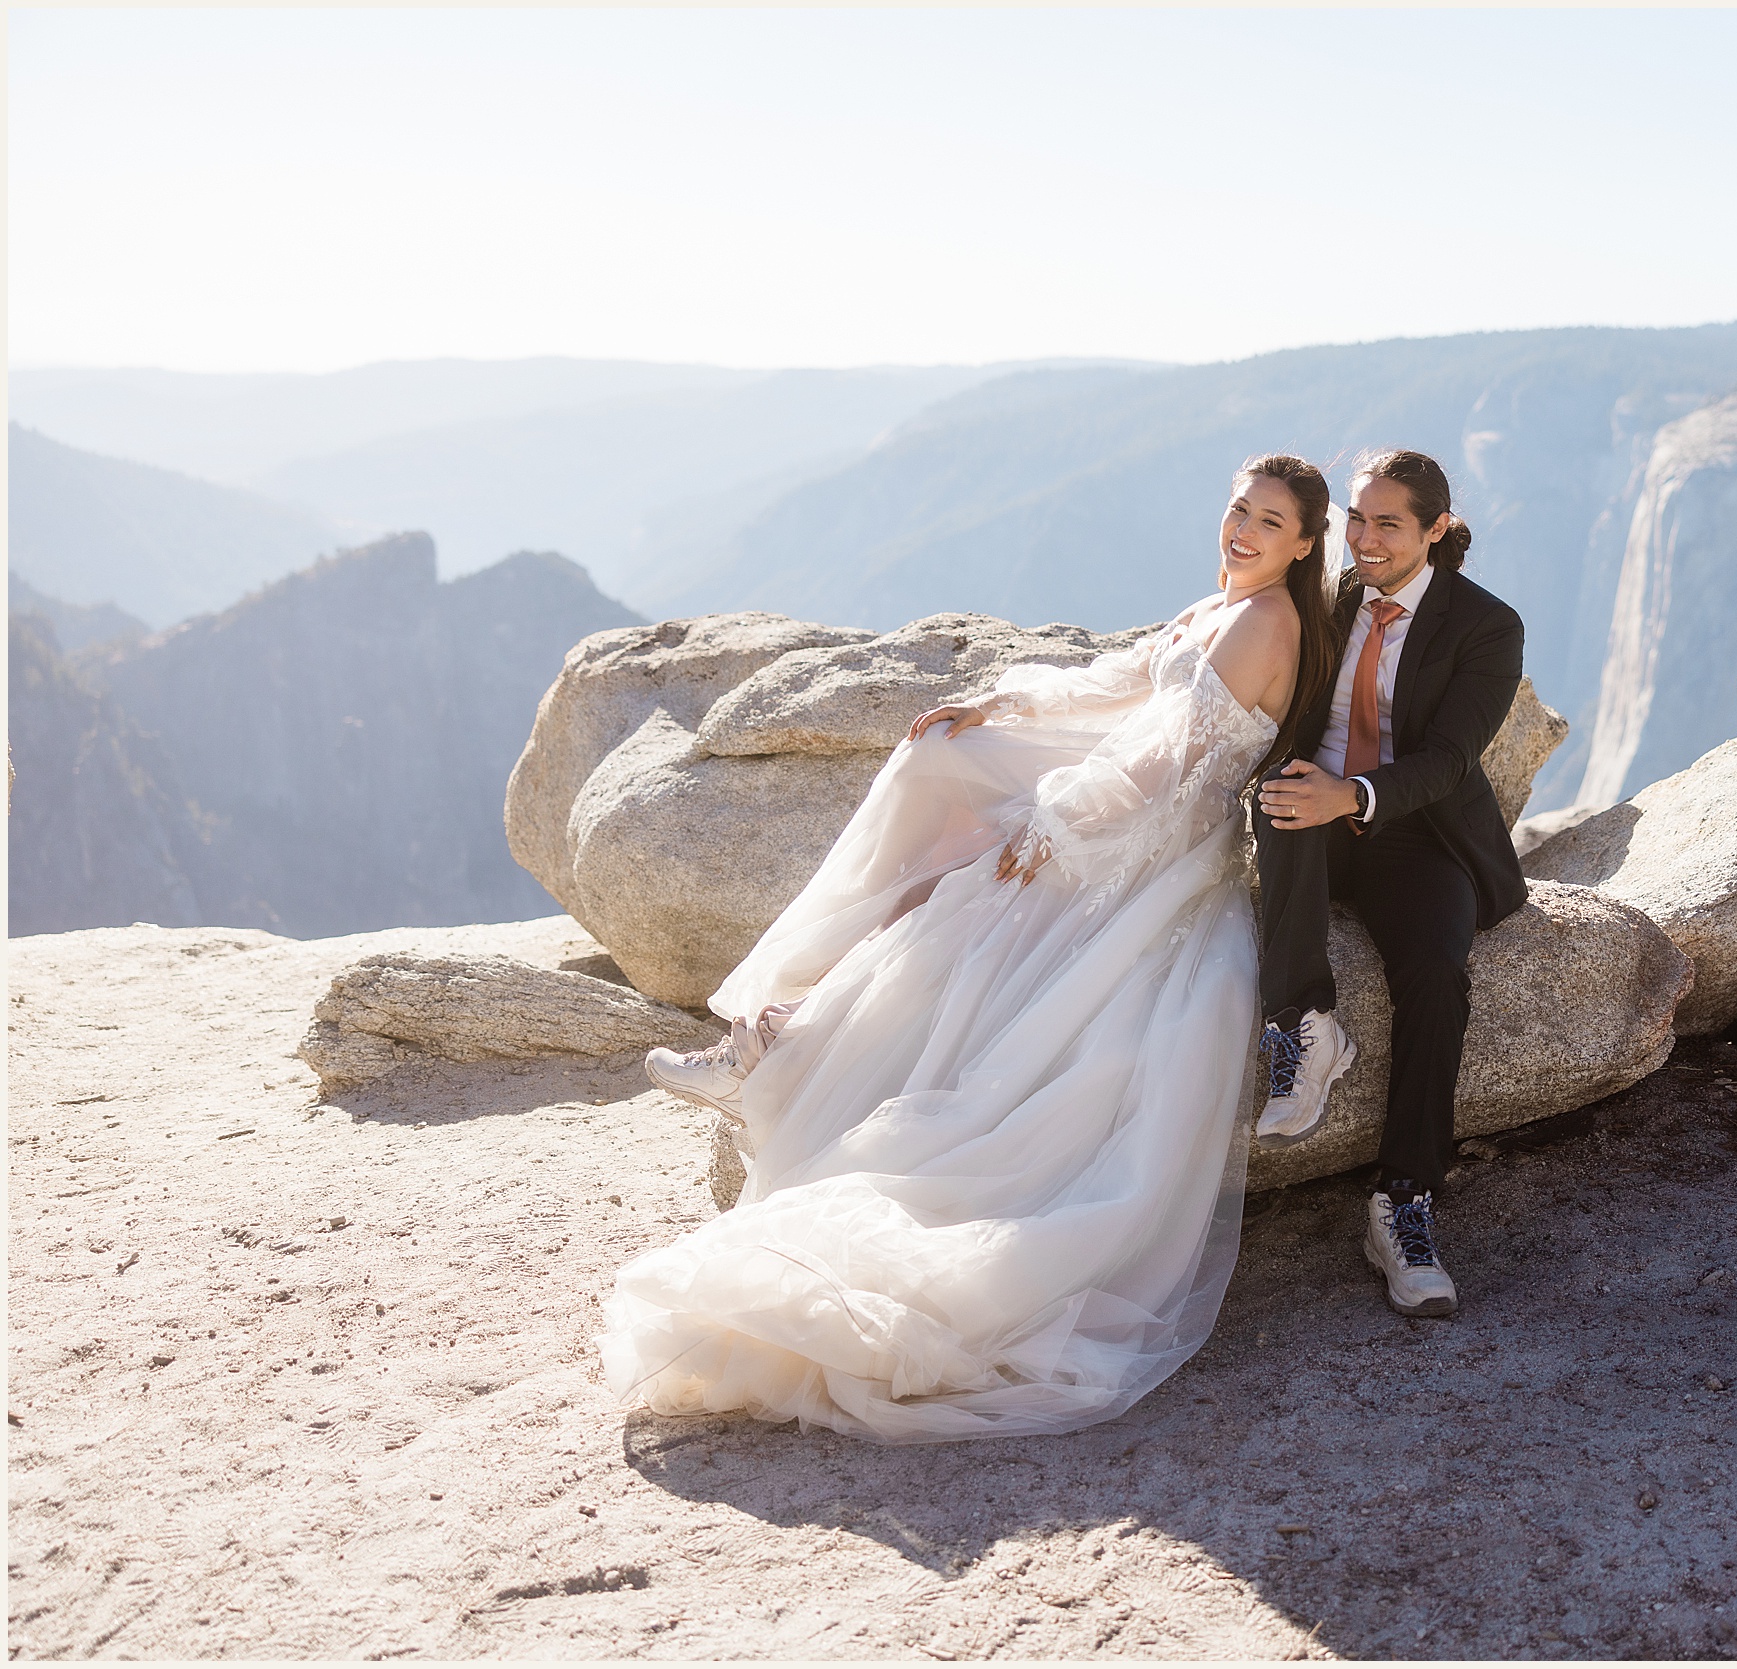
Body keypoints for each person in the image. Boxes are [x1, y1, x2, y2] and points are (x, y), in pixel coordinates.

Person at [601, 455, 1341, 1442]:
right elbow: (1120, 683)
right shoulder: (1222, 605)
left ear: (1302, 542)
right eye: (1239, 507)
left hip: (1159, 854)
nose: (1243, 529)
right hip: (1128, 819)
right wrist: (1001, 706)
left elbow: (1164, 763)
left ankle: (775, 1045)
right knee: (943, 770)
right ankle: (772, 1033)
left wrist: (1056, 820)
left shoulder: (1265, 622)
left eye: (1269, 520)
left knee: (963, 900)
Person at [1248, 448, 1528, 1319]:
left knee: (1438, 974)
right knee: (1283, 796)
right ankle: (1304, 1021)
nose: (1364, 542)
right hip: (1317, 820)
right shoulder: (1326, 598)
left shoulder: (1487, 625)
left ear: (1435, 531)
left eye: (1387, 525)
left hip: (1422, 833)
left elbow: (1450, 758)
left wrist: (1356, 793)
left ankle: (1402, 1199)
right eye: (1356, 521)